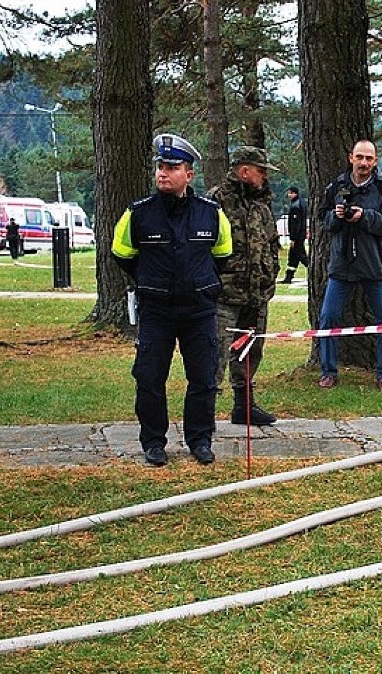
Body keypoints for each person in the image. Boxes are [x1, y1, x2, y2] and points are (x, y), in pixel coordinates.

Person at [111, 133, 233, 467]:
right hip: (157, 310)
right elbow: (122, 254)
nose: (163, 173)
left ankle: (200, 439)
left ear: (189, 174)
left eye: (172, 167)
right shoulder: (138, 214)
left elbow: (222, 254)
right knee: (150, 378)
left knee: (204, 378)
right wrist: (150, 279)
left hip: (198, 309)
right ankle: (153, 442)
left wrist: (197, 282)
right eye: (160, 167)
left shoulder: (211, 213)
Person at [317, 139, 382, 391]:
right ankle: (328, 371)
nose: (364, 163)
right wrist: (336, 216)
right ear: (351, 158)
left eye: (369, 158)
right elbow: (323, 219)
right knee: (328, 317)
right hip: (341, 266)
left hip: (374, 266)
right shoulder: (336, 186)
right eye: (360, 157)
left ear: (375, 161)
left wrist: (366, 216)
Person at [207, 146, 280, 426]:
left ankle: (244, 406)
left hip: (257, 294)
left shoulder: (262, 205)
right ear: (244, 171)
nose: (264, 177)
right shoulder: (217, 201)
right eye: (261, 171)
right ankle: (205, 413)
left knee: (250, 351)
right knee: (215, 354)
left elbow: (271, 243)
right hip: (224, 295)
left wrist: (269, 272)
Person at [280, 186, 309, 284]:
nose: (289, 195)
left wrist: (293, 238)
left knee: (301, 255)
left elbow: (295, 224)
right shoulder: (302, 203)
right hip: (301, 234)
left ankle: (312, 268)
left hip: (297, 236)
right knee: (293, 257)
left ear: (295, 193)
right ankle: (288, 277)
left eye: (290, 193)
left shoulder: (295, 206)